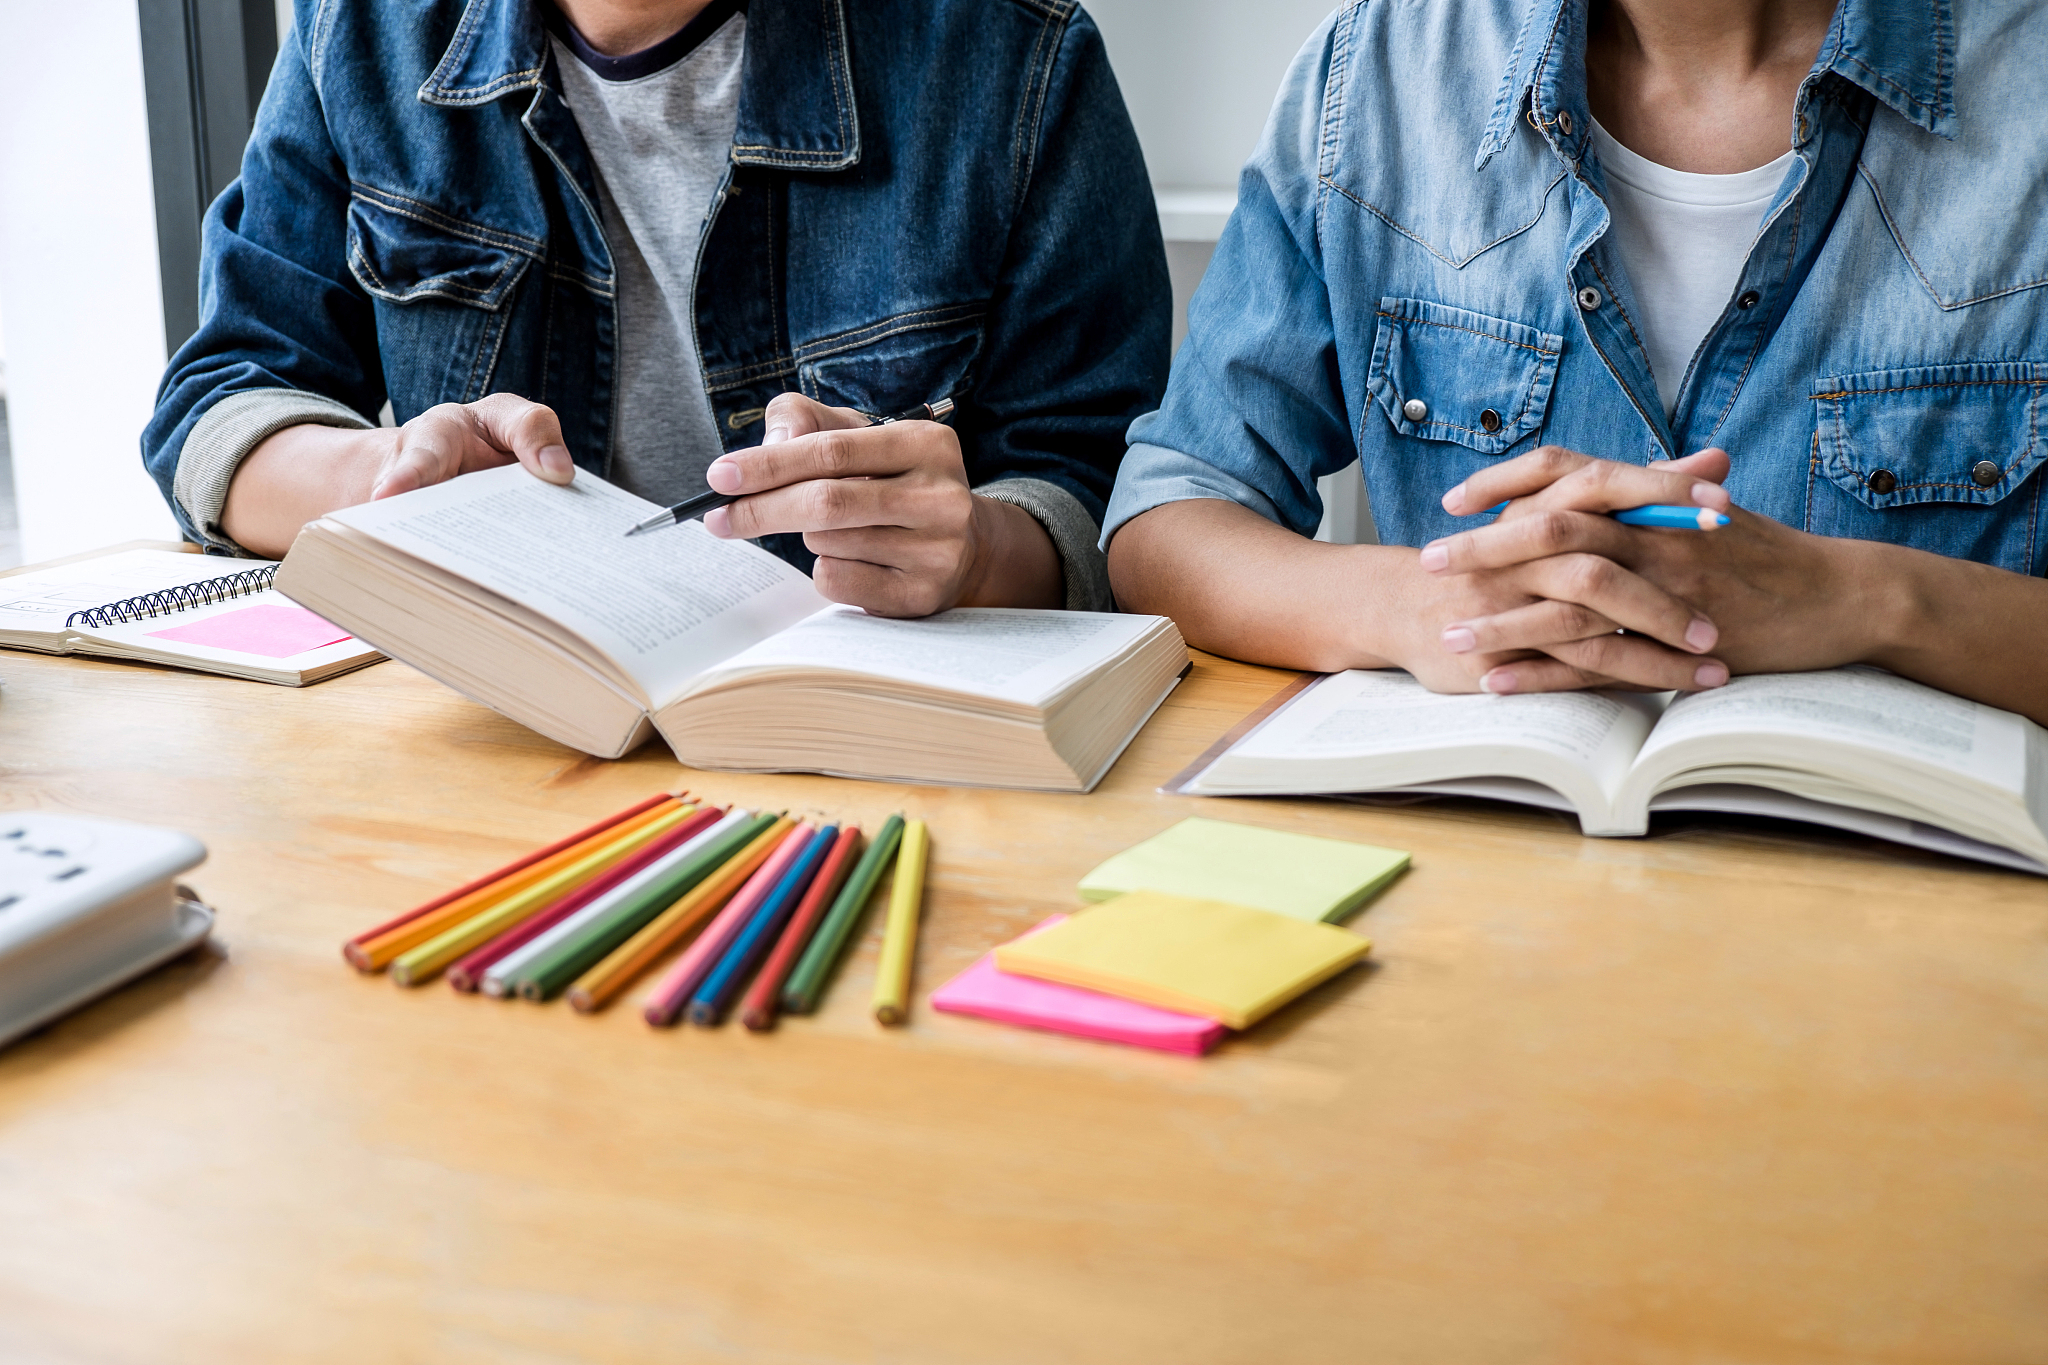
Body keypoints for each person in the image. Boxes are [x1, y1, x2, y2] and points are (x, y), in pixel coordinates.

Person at [1104, 0, 2048, 725]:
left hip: (1912, 910)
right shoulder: (1380, 71)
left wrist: (1868, 601)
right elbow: (1168, 515)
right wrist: (1415, 603)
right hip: (1488, 874)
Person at [143, 0, 1169, 618]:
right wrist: (386, 475)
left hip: (879, 742)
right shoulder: (361, 31)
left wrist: (979, 549)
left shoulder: (1010, 57)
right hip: (490, 726)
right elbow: (221, 405)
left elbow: (1108, 493)